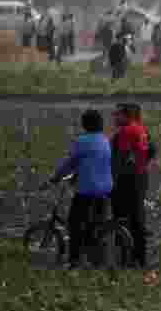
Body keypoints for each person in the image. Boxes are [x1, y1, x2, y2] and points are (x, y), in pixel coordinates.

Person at [48, 110, 113, 269]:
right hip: (105, 188)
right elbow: (92, 162)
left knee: (74, 224)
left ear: (84, 125)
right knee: (96, 224)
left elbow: (69, 162)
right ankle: (96, 258)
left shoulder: (82, 141)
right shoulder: (105, 140)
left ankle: (74, 260)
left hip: (87, 189)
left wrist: (55, 177)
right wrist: (77, 174)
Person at [111, 103, 157, 270]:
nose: (114, 118)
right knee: (137, 216)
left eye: (117, 115)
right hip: (141, 177)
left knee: (122, 217)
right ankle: (139, 257)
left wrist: (112, 179)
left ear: (126, 116)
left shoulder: (126, 131)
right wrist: (141, 164)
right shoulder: (141, 129)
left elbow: (119, 159)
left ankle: (126, 257)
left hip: (128, 180)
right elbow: (152, 149)